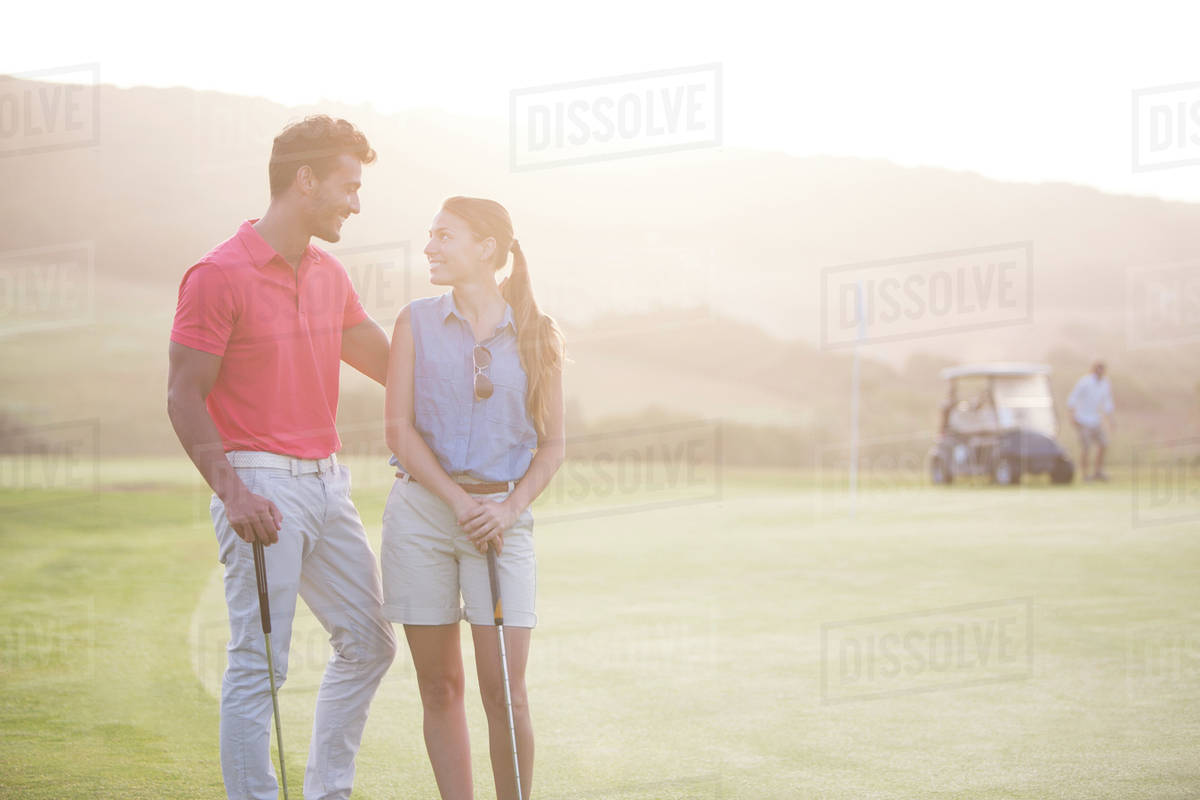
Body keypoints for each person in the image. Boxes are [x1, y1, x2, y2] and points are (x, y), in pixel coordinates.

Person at [167, 115, 397, 800]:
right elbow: (183, 396)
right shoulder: (218, 274)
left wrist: (480, 369)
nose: (355, 203)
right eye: (348, 187)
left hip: (329, 484)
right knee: (259, 663)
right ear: (305, 181)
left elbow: (389, 363)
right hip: (261, 484)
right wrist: (233, 492)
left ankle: (329, 793)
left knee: (371, 643)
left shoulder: (329, 274)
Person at [382, 197, 566, 800]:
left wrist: (507, 510)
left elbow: (552, 446)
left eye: (444, 236)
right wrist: (457, 503)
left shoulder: (539, 333)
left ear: (486, 247)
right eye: (430, 235)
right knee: (439, 688)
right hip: (423, 517)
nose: (430, 247)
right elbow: (399, 431)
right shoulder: (413, 321)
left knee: (505, 693)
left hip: (502, 524)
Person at [1067, 359, 1116, 481]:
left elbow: (1107, 403)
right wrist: (1072, 416)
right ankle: (1085, 475)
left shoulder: (1105, 383)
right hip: (1082, 420)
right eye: (1098, 368)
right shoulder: (1085, 382)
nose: (1100, 371)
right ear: (1094, 369)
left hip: (1095, 420)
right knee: (1086, 448)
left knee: (1104, 444)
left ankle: (1098, 472)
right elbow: (1072, 399)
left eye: (1102, 369)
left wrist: (1111, 420)